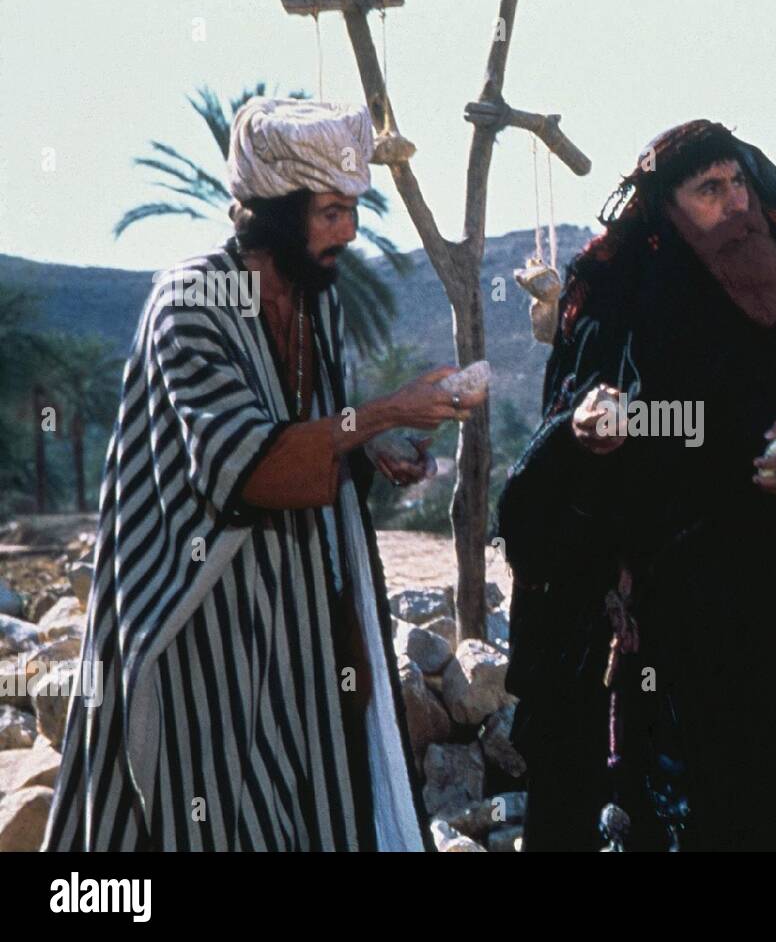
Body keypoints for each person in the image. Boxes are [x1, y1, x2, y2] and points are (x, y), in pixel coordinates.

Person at [496, 120, 776, 851]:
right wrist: (590, 437)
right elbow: (550, 481)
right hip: (693, 637)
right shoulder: (626, 301)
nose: (735, 204)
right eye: (709, 190)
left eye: (739, 183)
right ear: (668, 210)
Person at [43, 97, 483, 851]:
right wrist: (381, 413)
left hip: (295, 626)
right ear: (276, 209)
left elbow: (312, 437)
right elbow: (249, 468)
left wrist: (370, 450)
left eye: (352, 212)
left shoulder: (318, 303)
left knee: (307, 812)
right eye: (331, 212)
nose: (347, 232)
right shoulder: (193, 302)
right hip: (193, 622)